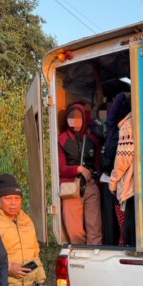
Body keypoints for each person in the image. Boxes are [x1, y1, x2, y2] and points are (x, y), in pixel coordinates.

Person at [58, 102, 103, 245]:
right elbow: (61, 169)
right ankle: (82, 254)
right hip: (71, 188)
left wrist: (96, 181)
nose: (75, 122)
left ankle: (95, 256)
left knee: (95, 230)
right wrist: (78, 169)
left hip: (90, 186)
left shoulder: (93, 140)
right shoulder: (62, 140)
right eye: (72, 118)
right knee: (74, 232)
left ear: (84, 118)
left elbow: (98, 166)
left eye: (78, 118)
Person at [100, 92, 132, 245]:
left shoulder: (123, 131)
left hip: (119, 184)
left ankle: (121, 244)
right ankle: (118, 244)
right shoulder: (115, 129)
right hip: (116, 183)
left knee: (121, 224)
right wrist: (124, 95)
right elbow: (112, 116)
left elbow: (122, 162)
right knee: (117, 222)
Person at [109, 108, 135, 246]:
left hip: (131, 189)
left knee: (128, 234)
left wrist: (112, 183)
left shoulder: (128, 125)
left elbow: (122, 161)